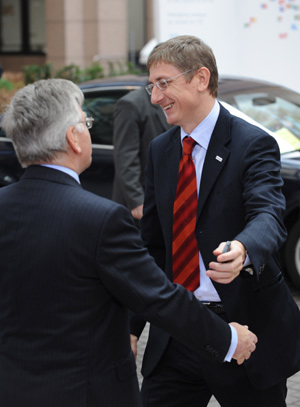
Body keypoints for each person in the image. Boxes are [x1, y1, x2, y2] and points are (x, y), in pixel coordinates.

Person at [0, 78, 257, 407]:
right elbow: (159, 298)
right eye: (85, 122)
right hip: (88, 393)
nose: (87, 130)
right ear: (72, 139)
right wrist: (229, 339)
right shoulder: (101, 219)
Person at [130, 35, 300, 407]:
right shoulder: (161, 151)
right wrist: (131, 327)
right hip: (177, 331)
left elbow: (269, 214)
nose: (155, 98)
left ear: (201, 78)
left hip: (245, 333)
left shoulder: (252, 143)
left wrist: (243, 248)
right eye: (152, 86)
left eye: (163, 84)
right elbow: (153, 246)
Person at [112, 87, 170, 223]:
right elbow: (125, 157)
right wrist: (137, 201)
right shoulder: (131, 104)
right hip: (140, 204)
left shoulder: (175, 100)